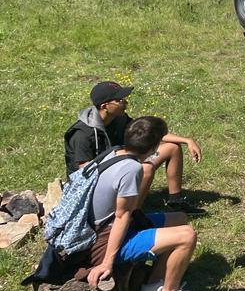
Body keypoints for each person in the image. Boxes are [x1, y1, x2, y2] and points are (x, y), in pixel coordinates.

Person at [79, 116, 206, 291]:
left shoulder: (114, 153)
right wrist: (107, 263)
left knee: (179, 219)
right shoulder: (132, 169)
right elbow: (122, 216)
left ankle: (152, 286)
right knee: (187, 235)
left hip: (102, 229)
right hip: (103, 242)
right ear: (156, 146)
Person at [64, 81, 203, 213]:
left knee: (172, 148)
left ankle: (176, 201)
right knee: (146, 168)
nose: (126, 102)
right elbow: (85, 173)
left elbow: (147, 133)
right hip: (93, 186)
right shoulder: (82, 134)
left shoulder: (118, 119)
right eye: (119, 100)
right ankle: (131, 216)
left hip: (119, 166)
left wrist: (187, 140)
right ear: (104, 106)